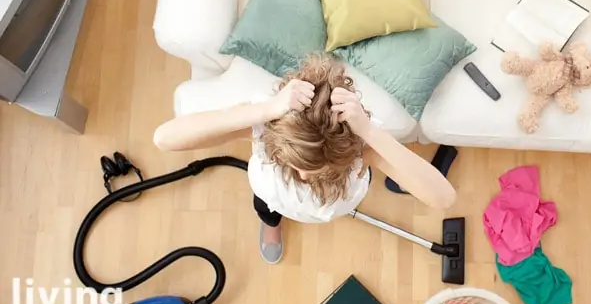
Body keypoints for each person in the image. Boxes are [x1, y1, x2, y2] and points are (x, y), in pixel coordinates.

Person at [153, 53, 456, 264]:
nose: (307, 179)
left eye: (319, 171)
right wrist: (262, 111)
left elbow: (443, 198)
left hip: (338, 202)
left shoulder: (364, 145)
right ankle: (272, 222)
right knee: (266, 208)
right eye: (299, 167)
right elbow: (164, 138)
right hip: (272, 195)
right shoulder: (264, 126)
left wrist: (369, 131)